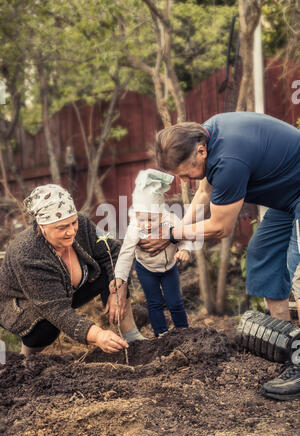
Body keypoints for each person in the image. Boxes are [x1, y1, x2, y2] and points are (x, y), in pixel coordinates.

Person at [139, 112, 300, 401]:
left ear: (201, 151)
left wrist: (173, 234)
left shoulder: (228, 160)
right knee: (263, 254)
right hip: (290, 196)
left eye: (186, 172)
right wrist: (182, 236)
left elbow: (221, 227)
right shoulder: (206, 135)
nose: (185, 180)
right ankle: (290, 344)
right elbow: (204, 192)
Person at [0, 184, 145, 359]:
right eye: (61, 227)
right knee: (46, 326)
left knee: (114, 272)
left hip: (69, 290)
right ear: (43, 226)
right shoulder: (28, 254)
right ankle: (27, 359)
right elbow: (56, 310)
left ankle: (132, 336)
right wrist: (98, 335)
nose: (71, 231)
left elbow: (113, 252)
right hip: (25, 305)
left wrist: (119, 289)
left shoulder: (82, 224)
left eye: (73, 222)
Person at [113, 169, 195, 337]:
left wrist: (185, 249)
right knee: (154, 302)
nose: (146, 224)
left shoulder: (171, 219)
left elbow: (184, 234)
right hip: (146, 270)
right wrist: (120, 277)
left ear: (161, 213)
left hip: (169, 268)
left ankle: (183, 331)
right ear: (136, 215)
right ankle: (161, 334)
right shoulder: (135, 227)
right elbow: (126, 253)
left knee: (175, 302)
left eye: (151, 219)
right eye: (142, 219)